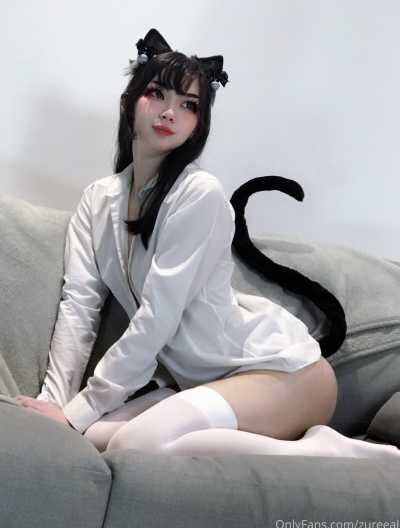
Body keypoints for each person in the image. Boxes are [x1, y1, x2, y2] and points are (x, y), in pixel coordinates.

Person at [15, 29, 400, 459]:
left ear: (199, 124)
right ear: (128, 103)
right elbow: (80, 304)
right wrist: (55, 405)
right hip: (201, 384)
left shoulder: (198, 194)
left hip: (286, 375)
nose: (170, 112)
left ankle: (331, 452)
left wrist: (79, 410)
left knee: (133, 442)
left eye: (189, 105)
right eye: (156, 94)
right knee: (93, 436)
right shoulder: (97, 200)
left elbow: (157, 317)